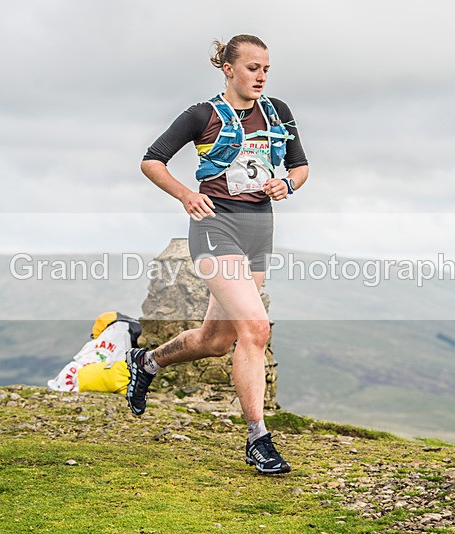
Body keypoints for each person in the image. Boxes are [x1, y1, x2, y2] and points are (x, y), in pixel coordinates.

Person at [127, 34, 309, 475]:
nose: (261, 76)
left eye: (266, 68)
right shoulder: (201, 114)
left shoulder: (278, 112)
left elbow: (300, 167)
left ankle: (146, 361)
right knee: (255, 328)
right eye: (252, 68)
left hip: (258, 230)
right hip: (214, 229)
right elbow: (152, 160)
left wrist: (287, 184)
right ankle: (258, 439)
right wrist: (186, 194)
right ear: (228, 69)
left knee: (216, 341)